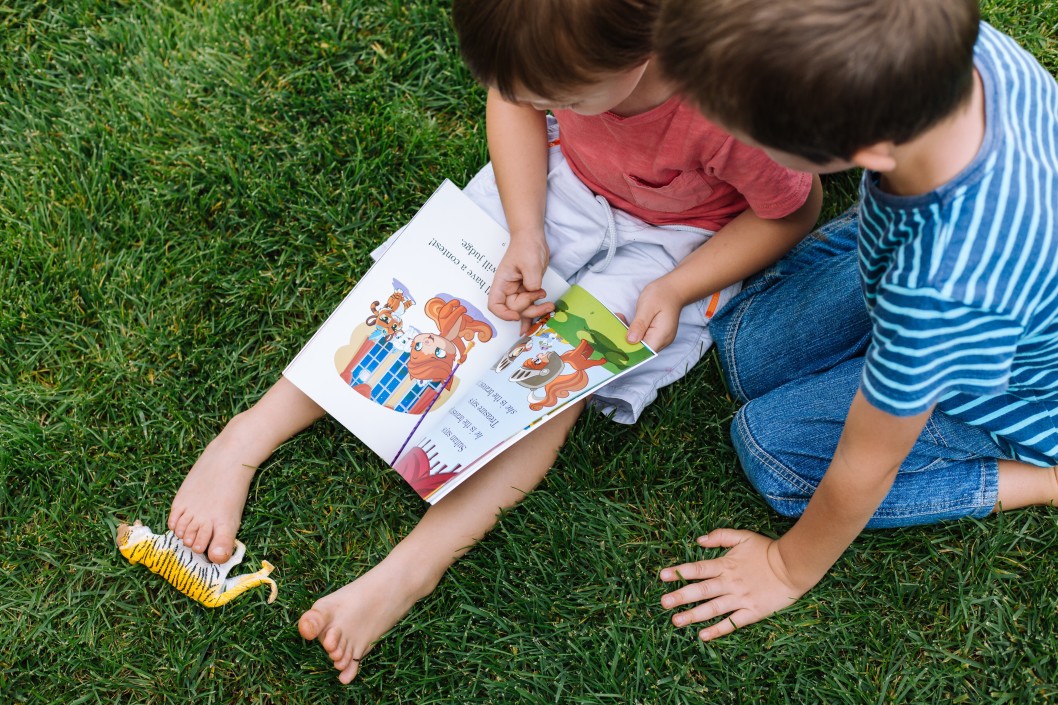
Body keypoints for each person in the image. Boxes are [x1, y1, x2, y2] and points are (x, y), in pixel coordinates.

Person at [167, 0, 820, 683]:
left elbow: (791, 212)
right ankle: (248, 435)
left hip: (683, 242)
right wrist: (525, 227)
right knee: (426, 288)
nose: (535, 100)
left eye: (556, 96)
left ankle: (411, 569)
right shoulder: (555, 57)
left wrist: (680, 287)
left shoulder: (736, 103)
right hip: (560, 180)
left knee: (560, 374)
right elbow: (513, 104)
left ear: (642, 54)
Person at [653, 0, 1058, 642]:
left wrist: (786, 569)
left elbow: (866, 464)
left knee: (771, 448)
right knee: (741, 343)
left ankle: (1040, 479)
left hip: (1004, 383)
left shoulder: (944, 289)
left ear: (868, 148)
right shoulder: (953, 51)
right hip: (923, 268)